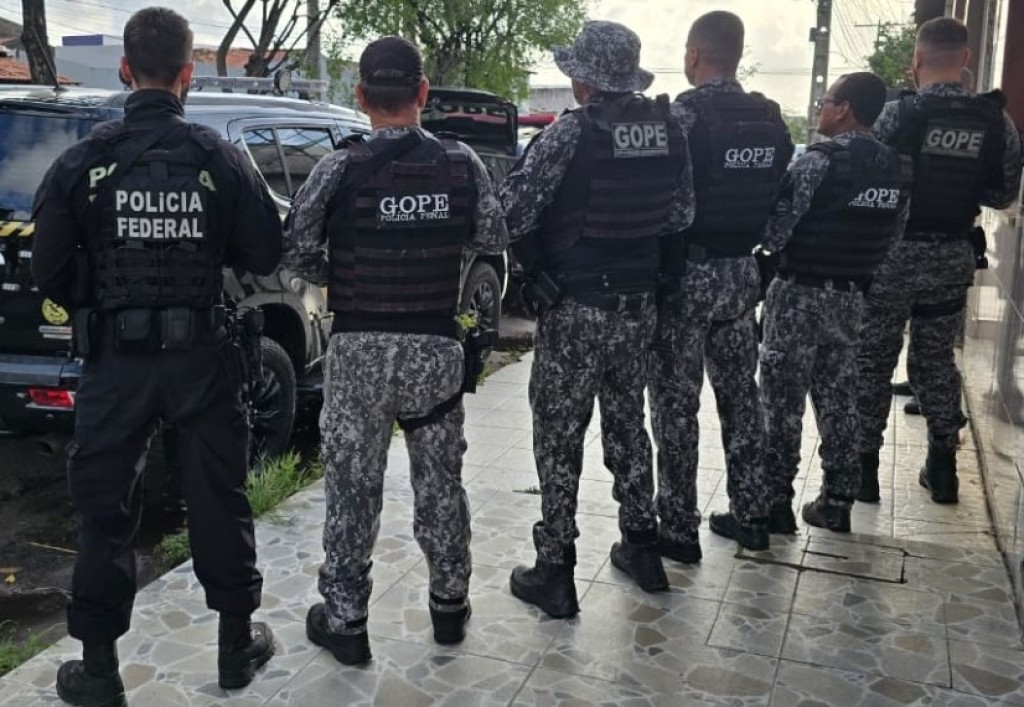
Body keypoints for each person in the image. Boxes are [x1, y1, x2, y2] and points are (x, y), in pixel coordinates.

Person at [30, 8, 282, 705]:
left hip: (116, 361)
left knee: (104, 505)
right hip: (202, 355)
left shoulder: (82, 160)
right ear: (187, 75)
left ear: (124, 70)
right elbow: (265, 251)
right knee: (218, 496)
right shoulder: (218, 156)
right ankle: (236, 647)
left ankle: (99, 669)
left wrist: (107, 296)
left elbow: (48, 268)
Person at [281, 36, 508, 664]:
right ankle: (449, 607)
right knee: (440, 483)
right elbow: (493, 236)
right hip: (434, 349)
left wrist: (341, 270)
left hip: (358, 349)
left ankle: (346, 622)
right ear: (423, 93)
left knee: (352, 488)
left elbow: (295, 250)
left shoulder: (337, 168)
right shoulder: (462, 163)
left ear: (360, 96)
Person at [501, 20, 694, 618]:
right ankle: (642, 547)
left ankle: (555, 570)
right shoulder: (669, 130)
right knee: (628, 424)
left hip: (577, 307)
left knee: (559, 435)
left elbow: (512, 215)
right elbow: (680, 216)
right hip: (638, 307)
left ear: (583, 80)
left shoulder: (568, 135)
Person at [856, 18, 1023, 505]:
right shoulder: (996, 121)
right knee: (935, 361)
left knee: (872, 360)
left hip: (890, 257)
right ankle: (943, 468)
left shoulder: (896, 115)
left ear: (916, 60)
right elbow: (1002, 194)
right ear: (966, 60)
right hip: (951, 256)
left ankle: (863, 471)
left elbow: (864, 181)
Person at [649, 10, 794, 558]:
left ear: (693, 56)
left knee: (675, 404)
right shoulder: (771, 119)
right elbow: (782, 205)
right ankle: (753, 515)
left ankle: (678, 529)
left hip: (687, 277)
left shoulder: (681, 117)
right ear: (736, 55)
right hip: (741, 276)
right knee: (741, 398)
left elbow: (665, 203)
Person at [759, 72, 912, 532]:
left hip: (799, 296)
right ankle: (838, 500)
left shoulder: (817, 162)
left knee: (781, 403)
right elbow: (894, 238)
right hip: (851, 298)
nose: (820, 108)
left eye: (826, 101)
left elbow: (774, 232)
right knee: (839, 400)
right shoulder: (897, 168)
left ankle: (774, 503)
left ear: (843, 109)